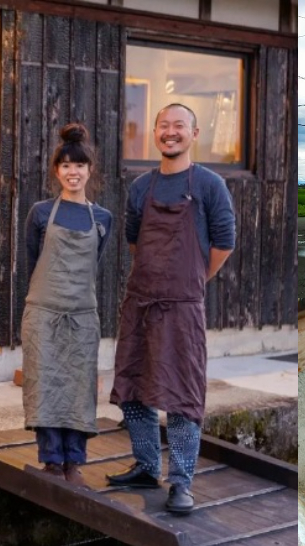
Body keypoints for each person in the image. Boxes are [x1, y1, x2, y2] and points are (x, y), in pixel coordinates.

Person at [105, 103, 236, 515]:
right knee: (132, 387)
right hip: (140, 302)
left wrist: (193, 281)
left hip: (183, 308)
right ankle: (146, 466)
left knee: (182, 397)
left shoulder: (211, 185)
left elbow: (224, 244)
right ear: (155, 133)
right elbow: (133, 242)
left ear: (194, 133)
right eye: (163, 126)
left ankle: (181, 482)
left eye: (179, 126)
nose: (170, 132)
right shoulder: (141, 188)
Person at [22, 122, 114, 487]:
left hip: (81, 316)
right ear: (56, 171)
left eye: (79, 166)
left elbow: (95, 264)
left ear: (90, 171)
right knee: (44, 384)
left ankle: (74, 462)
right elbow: (32, 262)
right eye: (65, 166)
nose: (72, 172)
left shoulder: (102, 218)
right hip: (43, 313)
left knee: (77, 387)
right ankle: (50, 460)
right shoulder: (41, 213)